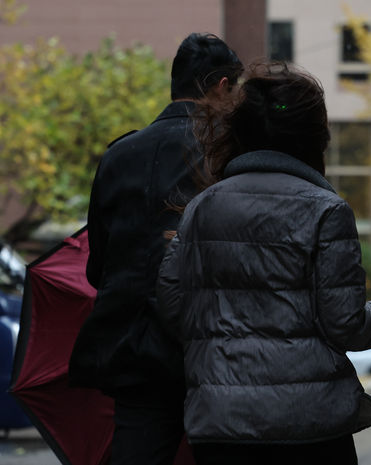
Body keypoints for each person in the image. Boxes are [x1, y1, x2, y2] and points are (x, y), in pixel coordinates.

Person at [155, 62, 371, 465]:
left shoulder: (202, 207)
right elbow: (345, 325)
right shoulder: (327, 211)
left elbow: (172, 304)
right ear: (313, 138)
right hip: (308, 426)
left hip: (221, 426)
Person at [69, 33, 244, 465]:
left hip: (131, 349)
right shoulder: (228, 154)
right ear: (222, 87)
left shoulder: (117, 155)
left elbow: (98, 269)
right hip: (210, 347)